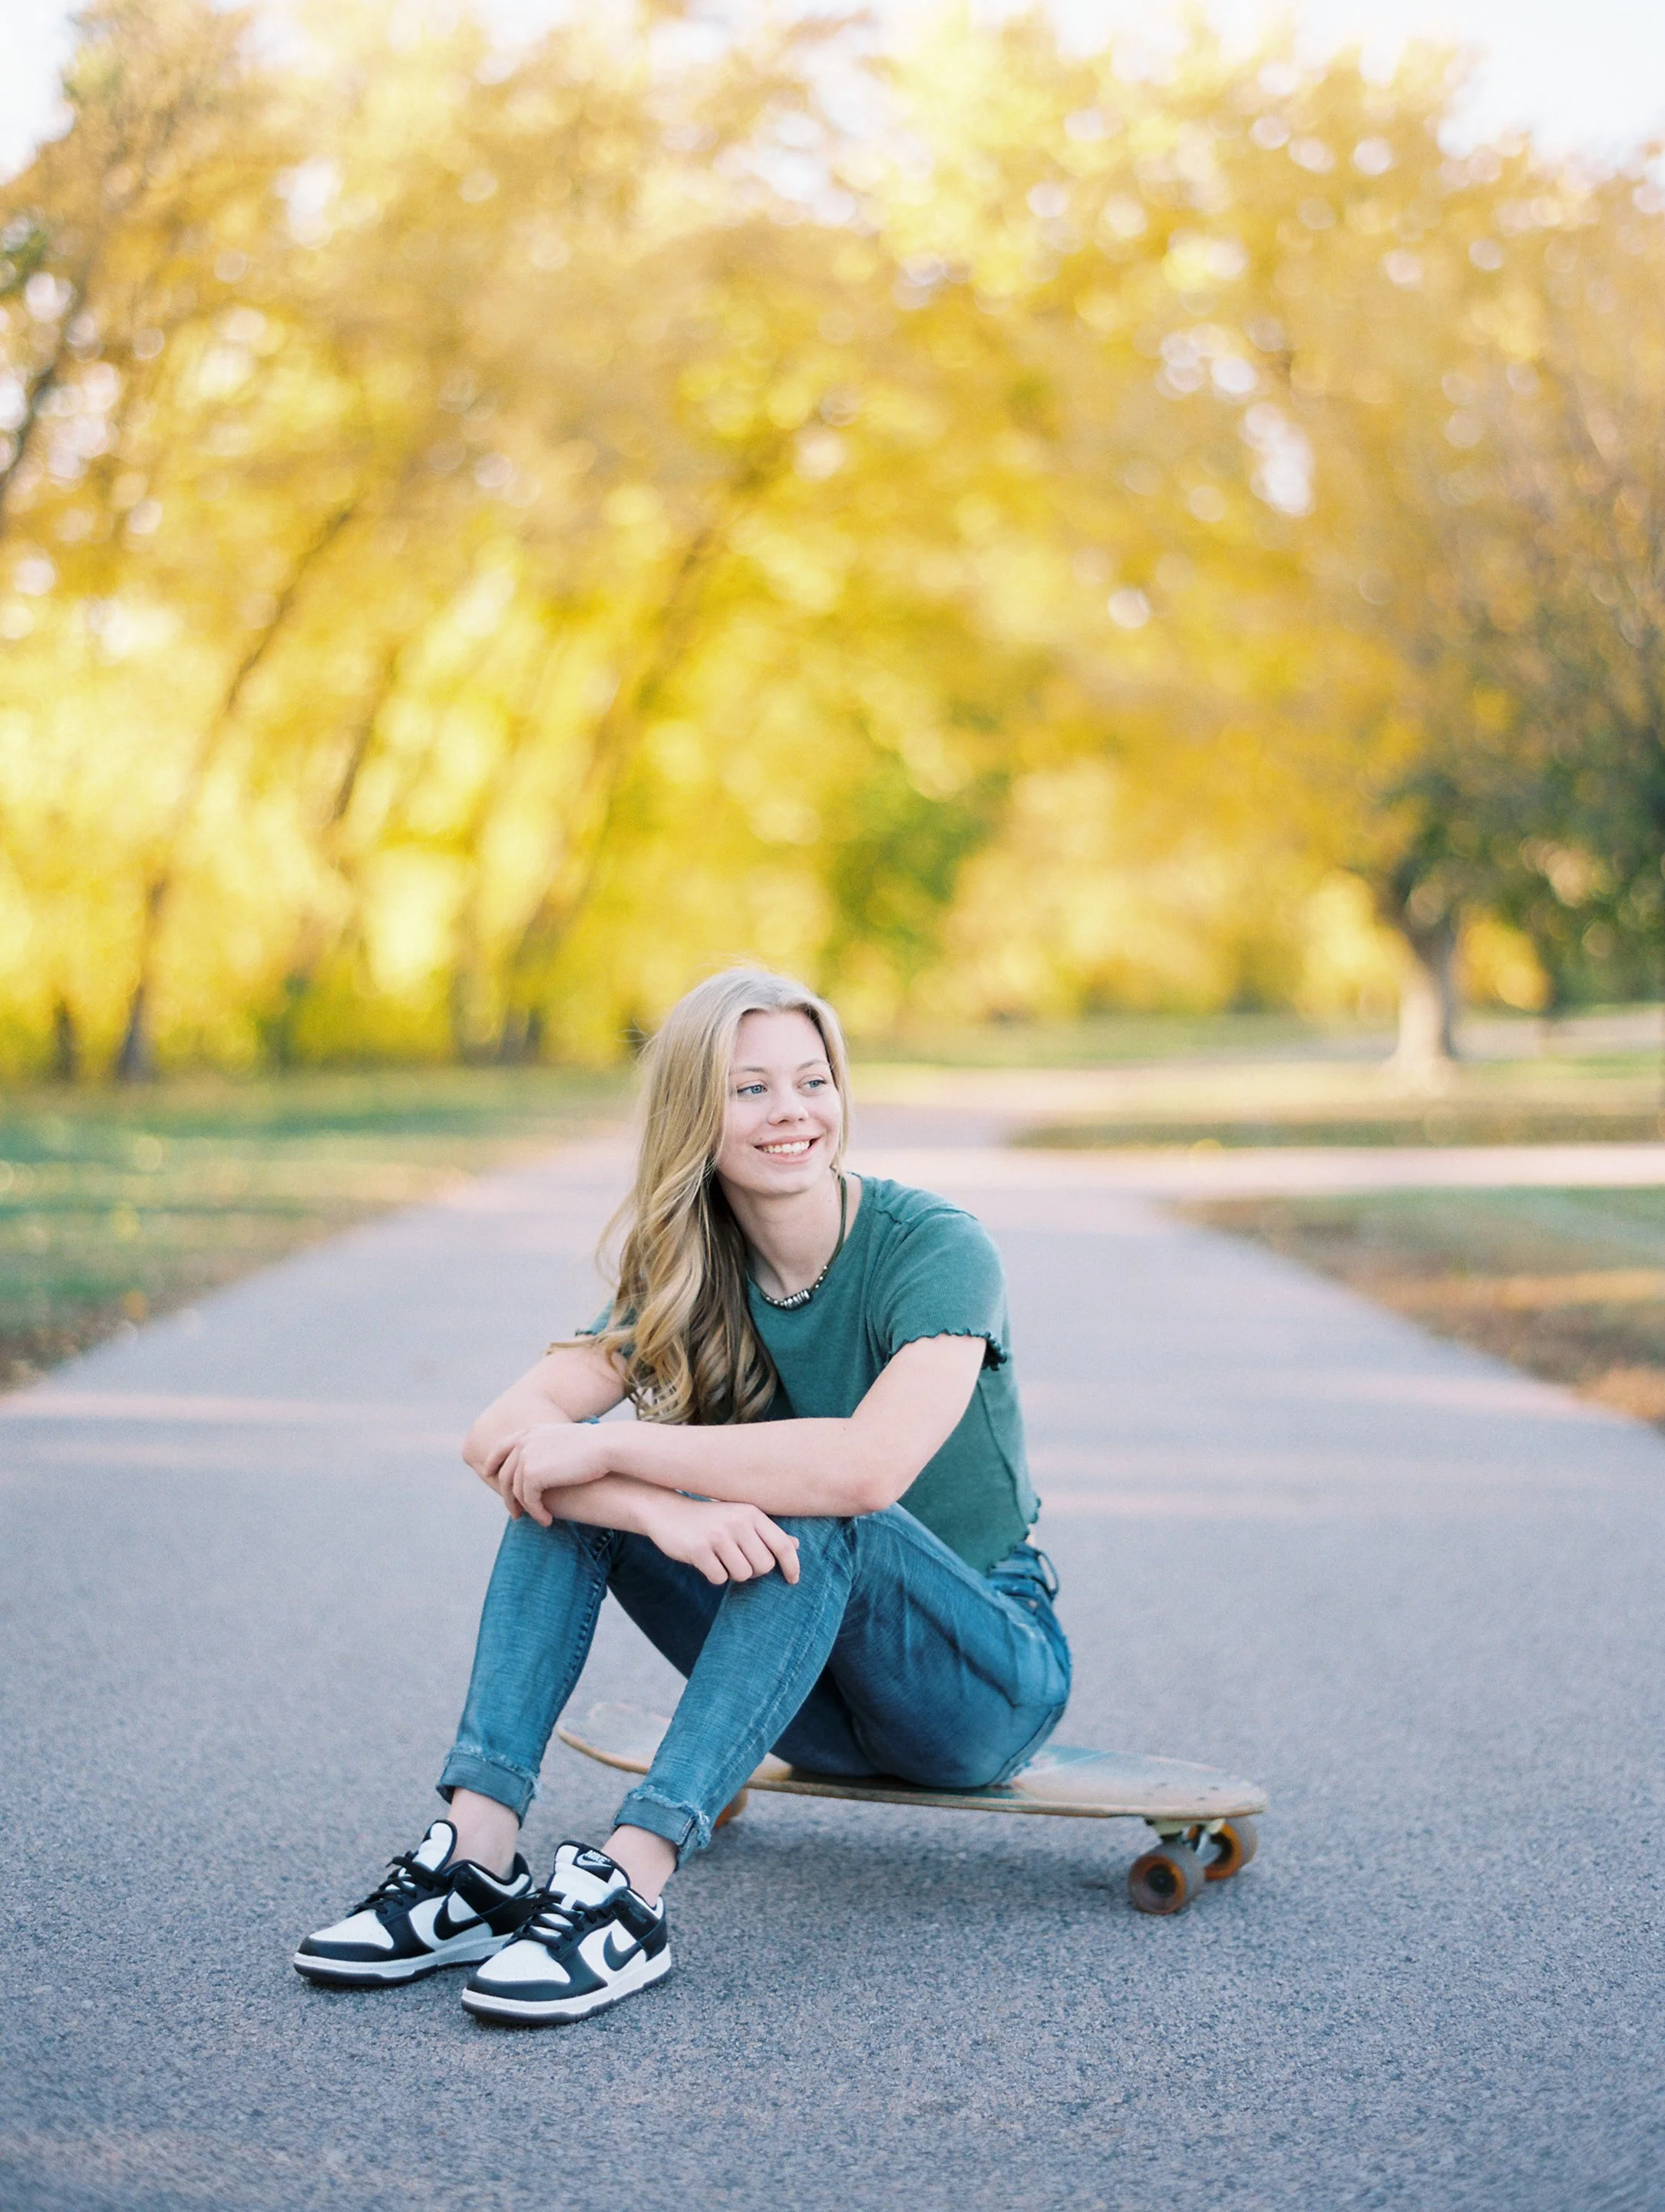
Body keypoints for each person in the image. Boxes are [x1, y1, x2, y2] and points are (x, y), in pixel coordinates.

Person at [293, 967, 1070, 2025]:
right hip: (808, 1698)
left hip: (980, 1682)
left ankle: (631, 1889)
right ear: (693, 1116)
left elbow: (866, 1469)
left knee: (753, 1491)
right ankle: (475, 1867)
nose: (791, 1112)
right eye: (750, 1089)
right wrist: (661, 1512)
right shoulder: (687, 1268)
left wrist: (629, 1459)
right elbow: (499, 1437)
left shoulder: (934, 1247)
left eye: (812, 1080)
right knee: (563, 1496)